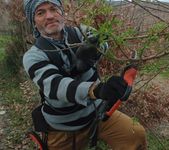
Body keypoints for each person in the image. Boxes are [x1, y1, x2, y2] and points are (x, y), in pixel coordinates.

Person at [22, 0, 147, 150]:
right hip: (63, 127)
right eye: (40, 13)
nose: (49, 16)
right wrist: (96, 90)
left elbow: (101, 40)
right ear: (34, 21)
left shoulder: (80, 31)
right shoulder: (33, 56)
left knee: (136, 134)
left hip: (96, 113)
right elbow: (56, 86)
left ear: (62, 12)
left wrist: (94, 50)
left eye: (53, 9)